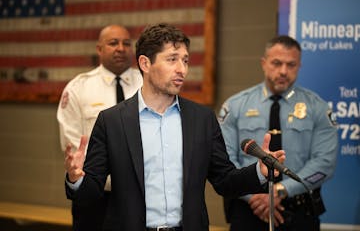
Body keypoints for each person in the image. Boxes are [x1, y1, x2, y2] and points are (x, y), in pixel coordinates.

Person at [64, 23, 285, 231]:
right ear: (145, 64)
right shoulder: (111, 121)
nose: (182, 69)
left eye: (186, 61)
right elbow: (91, 192)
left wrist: (259, 171)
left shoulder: (202, 119)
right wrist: (76, 180)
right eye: (172, 60)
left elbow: (224, 180)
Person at [218, 35, 338, 231]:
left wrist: (280, 190)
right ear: (264, 64)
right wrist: (254, 197)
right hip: (248, 209)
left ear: (299, 66)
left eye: (291, 65)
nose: (283, 71)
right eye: (277, 63)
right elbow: (224, 160)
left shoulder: (317, 107)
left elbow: (325, 164)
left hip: (299, 209)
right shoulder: (235, 106)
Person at [57, 25, 143, 230]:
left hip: (140, 196)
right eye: (113, 43)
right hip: (95, 195)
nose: (121, 48)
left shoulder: (146, 84)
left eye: (126, 43)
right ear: (99, 49)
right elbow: (73, 143)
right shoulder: (79, 87)